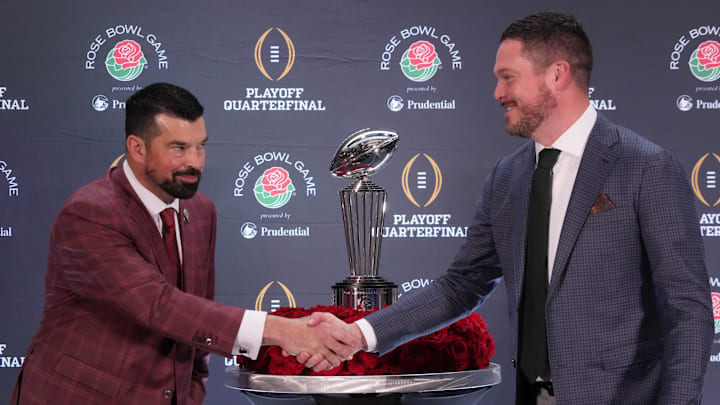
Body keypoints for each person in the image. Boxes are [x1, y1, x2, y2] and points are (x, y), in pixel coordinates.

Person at [301, 11, 714, 405]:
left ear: (556, 74)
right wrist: (361, 333)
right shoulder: (507, 176)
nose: (498, 93)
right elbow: (461, 285)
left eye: (508, 78)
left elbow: (688, 309)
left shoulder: (646, 166)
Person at [10, 83, 358, 405]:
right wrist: (283, 331)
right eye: (178, 148)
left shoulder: (200, 210)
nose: (195, 161)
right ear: (137, 148)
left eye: (201, 145)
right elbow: (159, 306)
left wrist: (192, 390)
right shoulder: (89, 214)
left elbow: (197, 312)